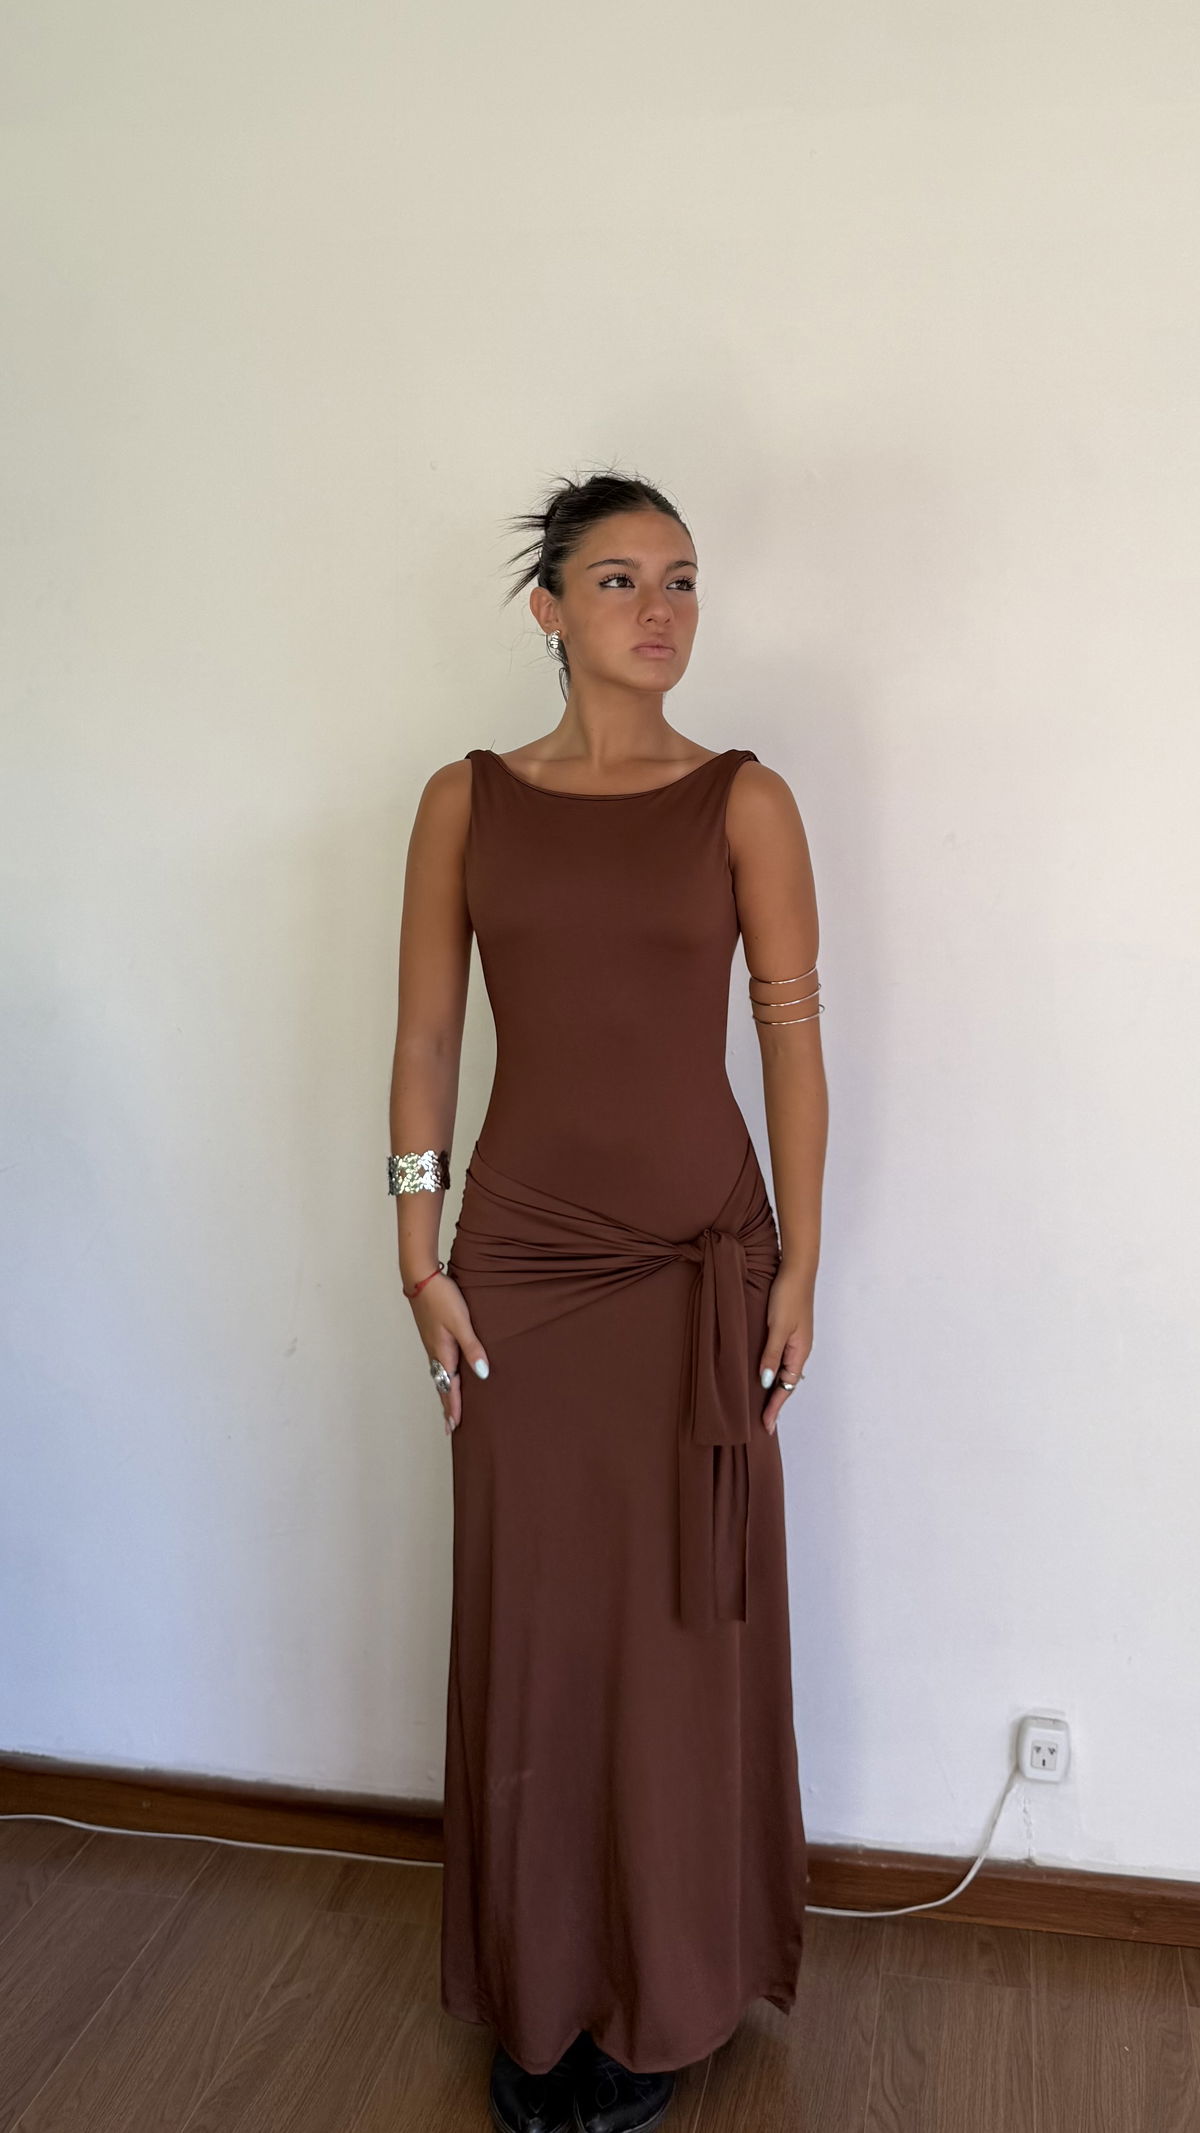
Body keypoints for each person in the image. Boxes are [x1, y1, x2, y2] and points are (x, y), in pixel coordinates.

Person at [388, 469, 828, 2133]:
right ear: (549, 608)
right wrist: (416, 1255)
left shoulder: (742, 799)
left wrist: (803, 1259)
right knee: (538, 1629)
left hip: (700, 1255)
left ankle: (667, 1991)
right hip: (522, 1267)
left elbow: (791, 1032)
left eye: (684, 578)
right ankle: (542, 1981)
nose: (662, 608)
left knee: (677, 1637)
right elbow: (428, 1036)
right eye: (623, 578)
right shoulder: (465, 800)